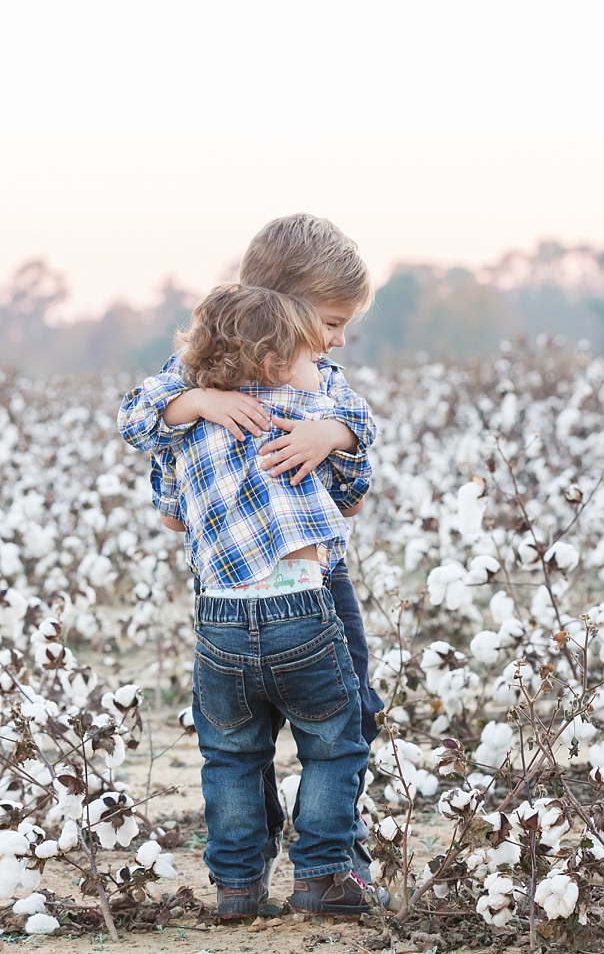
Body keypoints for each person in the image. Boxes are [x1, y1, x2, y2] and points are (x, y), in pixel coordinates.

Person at [117, 214, 384, 884]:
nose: (339, 339)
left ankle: (327, 850)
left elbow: (359, 430)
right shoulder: (193, 373)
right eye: (330, 322)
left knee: (348, 710)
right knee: (285, 730)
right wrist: (198, 400)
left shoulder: (320, 381)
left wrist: (331, 437)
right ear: (285, 310)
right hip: (266, 589)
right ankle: (307, 863)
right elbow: (137, 416)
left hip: (306, 582)